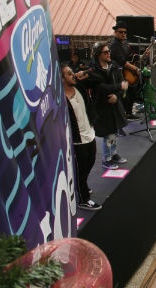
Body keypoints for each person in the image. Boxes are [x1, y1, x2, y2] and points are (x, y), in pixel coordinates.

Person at [61, 63, 101, 210]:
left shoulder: (80, 87)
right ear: (62, 78)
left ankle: (81, 185)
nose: (73, 75)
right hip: (78, 140)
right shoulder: (60, 98)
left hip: (90, 133)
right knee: (81, 169)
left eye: (72, 72)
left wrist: (85, 73)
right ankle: (84, 199)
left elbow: (98, 79)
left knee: (91, 162)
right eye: (69, 73)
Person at [88, 42, 128, 169]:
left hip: (114, 105)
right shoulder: (93, 70)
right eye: (105, 52)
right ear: (98, 54)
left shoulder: (113, 67)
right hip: (102, 107)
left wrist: (117, 96)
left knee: (114, 131)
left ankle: (113, 153)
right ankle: (106, 158)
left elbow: (122, 84)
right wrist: (119, 87)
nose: (108, 54)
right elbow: (101, 88)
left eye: (108, 51)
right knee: (108, 132)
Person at [109, 19, 141, 121]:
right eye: (121, 32)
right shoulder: (114, 45)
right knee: (124, 95)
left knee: (131, 93)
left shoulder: (125, 44)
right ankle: (124, 114)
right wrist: (135, 68)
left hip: (127, 73)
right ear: (115, 32)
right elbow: (122, 62)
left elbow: (131, 57)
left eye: (125, 32)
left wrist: (142, 56)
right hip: (119, 74)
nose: (123, 34)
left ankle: (129, 113)